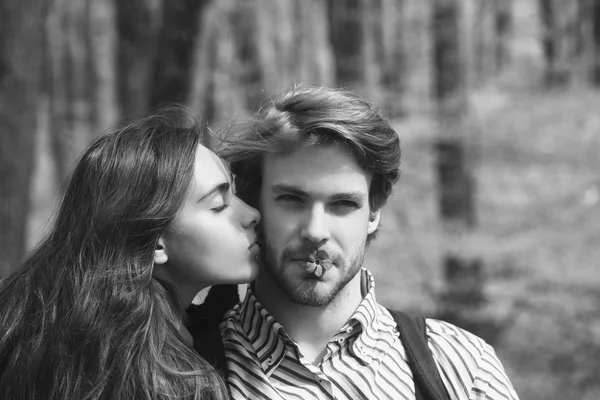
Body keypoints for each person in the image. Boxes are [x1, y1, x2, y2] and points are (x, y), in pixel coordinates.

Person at [204, 85, 520, 399]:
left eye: (342, 204)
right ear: (253, 203)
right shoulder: (182, 368)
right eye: (291, 199)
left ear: (374, 213)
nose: (315, 231)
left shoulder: (463, 367)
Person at [0, 107, 260, 400]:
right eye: (219, 205)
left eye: (235, 194)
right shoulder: (165, 384)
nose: (251, 214)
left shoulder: (53, 328)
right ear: (156, 245)